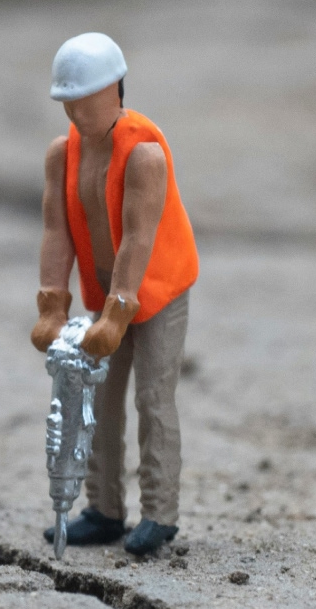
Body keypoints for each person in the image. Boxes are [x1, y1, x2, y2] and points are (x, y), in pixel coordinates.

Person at [31, 32, 199, 556]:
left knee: (153, 399)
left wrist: (118, 313)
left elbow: (138, 238)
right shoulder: (64, 154)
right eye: (69, 104)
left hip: (156, 293)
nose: (78, 114)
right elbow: (57, 231)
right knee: (98, 402)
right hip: (105, 299)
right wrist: (53, 304)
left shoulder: (143, 155)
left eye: (86, 101)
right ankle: (104, 508)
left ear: (116, 90)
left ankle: (160, 515)